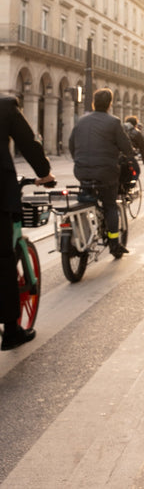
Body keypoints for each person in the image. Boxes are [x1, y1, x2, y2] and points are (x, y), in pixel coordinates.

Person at [0, 96, 55, 350]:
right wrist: (44, 173)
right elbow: (29, 143)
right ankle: (11, 330)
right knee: (3, 259)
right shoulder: (4, 106)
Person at [68, 87, 133, 259]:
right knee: (110, 205)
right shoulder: (113, 122)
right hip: (106, 173)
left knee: (86, 196)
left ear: (93, 103)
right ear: (110, 104)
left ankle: (84, 232)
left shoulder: (81, 121)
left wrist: (79, 160)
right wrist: (130, 155)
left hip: (81, 171)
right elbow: (126, 146)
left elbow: (71, 144)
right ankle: (114, 243)